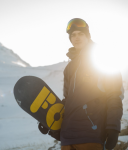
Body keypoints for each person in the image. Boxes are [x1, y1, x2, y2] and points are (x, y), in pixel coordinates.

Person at [39, 18, 124, 150]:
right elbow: (68, 102)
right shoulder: (69, 68)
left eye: (80, 34)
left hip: (91, 134)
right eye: (73, 35)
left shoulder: (102, 57)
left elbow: (115, 95)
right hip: (68, 138)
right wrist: (50, 121)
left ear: (88, 36)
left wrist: (113, 128)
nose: (76, 38)